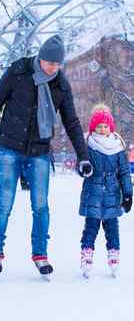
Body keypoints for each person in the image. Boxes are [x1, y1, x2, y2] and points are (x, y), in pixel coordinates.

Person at [0, 34, 92, 275]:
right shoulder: (18, 72)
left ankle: (40, 254)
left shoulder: (60, 84)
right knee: (4, 203)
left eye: (57, 64)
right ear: (40, 58)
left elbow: (71, 121)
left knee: (41, 206)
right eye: (49, 62)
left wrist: (83, 156)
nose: (52, 67)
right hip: (10, 147)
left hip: (40, 151)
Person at [79, 104, 133, 278]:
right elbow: (81, 165)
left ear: (111, 127)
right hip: (93, 192)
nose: (102, 129)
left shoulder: (118, 147)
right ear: (93, 127)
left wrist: (128, 194)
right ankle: (86, 255)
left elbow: (124, 172)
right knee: (91, 227)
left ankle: (113, 254)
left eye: (105, 126)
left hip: (112, 192)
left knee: (112, 228)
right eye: (99, 126)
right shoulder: (88, 144)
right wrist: (83, 169)